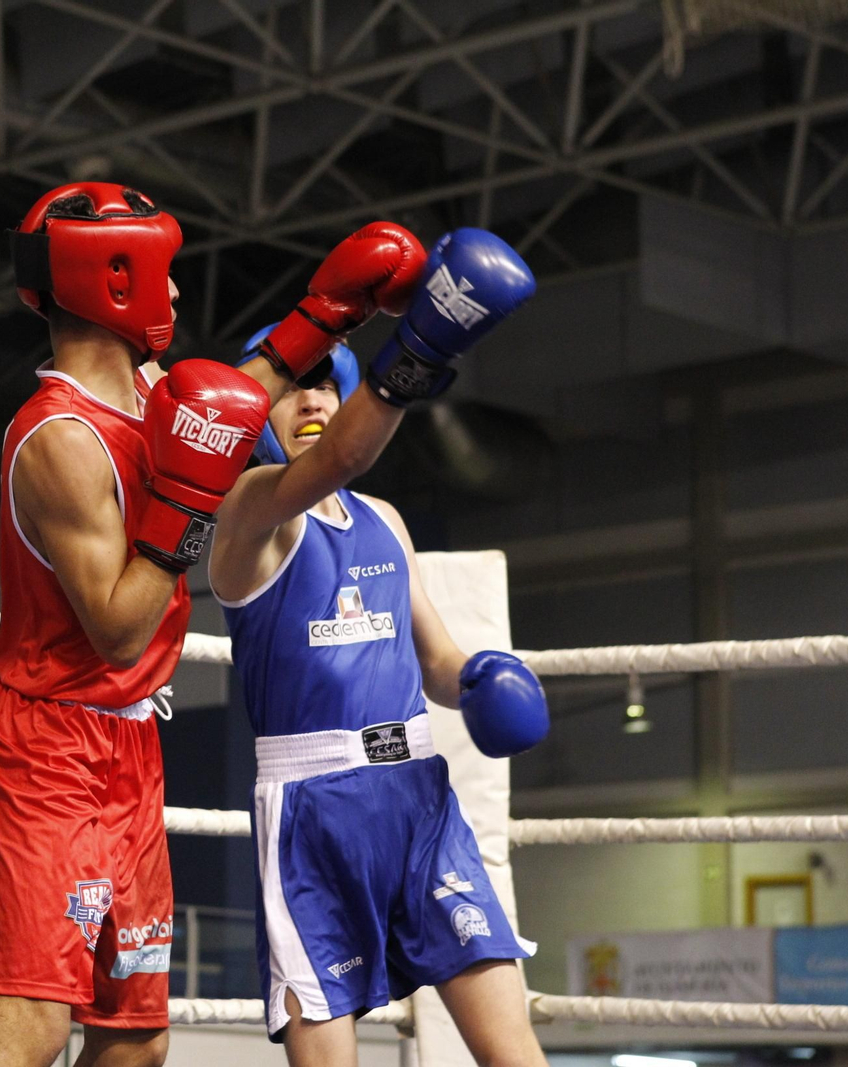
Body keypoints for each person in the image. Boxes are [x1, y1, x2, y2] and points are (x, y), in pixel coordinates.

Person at [0, 182, 425, 1067]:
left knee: (136, 1039)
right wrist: (188, 503)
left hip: (129, 750)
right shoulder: (59, 437)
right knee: (32, 1030)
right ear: (114, 282)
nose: (175, 295)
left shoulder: (148, 393)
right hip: (50, 750)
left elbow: (226, 408)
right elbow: (120, 630)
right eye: (163, 276)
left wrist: (323, 314)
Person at [207, 229, 551, 1067]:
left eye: (329, 381)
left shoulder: (384, 523)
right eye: (295, 385)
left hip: (420, 800)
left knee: (514, 1050)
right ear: (263, 408)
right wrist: (422, 346)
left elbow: (432, 657)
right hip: (313, 811)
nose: (314, 398)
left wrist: (478, 677)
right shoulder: (250, 515)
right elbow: (338, 457)